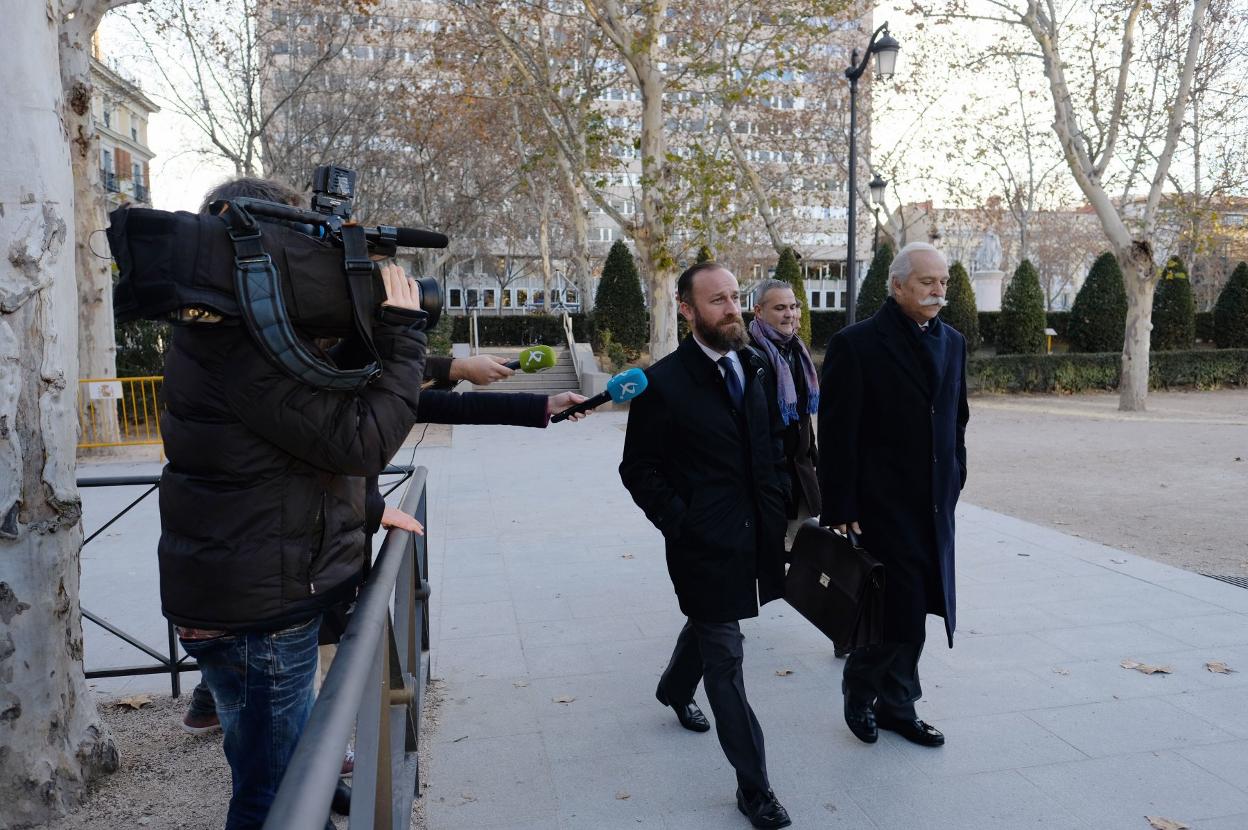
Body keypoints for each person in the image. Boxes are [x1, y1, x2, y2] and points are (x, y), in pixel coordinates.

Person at [162, 176, 428, 829]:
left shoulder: (225, 331)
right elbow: (361, 440)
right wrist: (405, 335)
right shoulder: (243, 351)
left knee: (275, 762)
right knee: (272, 793)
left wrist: (367, 511)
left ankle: (323, 794)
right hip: (260, 615)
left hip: (245, 592)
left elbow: (292, 452)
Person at [619, 262, 791, 829]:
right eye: (717, 301)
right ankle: (755, 787)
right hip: (701, 544)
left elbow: (770, 447)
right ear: (687, 310)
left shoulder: (756, 365)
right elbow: (638, 469)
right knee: (727, 657)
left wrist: (782, 504)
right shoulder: (661, 383)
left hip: (756, 535)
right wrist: (682, 523)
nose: (733, 309)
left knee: (709, 621)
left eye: (736, 298)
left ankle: (672, 688)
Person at [817, 241, 969, 749]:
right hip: (881, 505)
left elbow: (957, 418)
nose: (938, 290)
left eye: (943, 282)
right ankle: (861, 691)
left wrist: (956, 474)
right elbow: (837, 434)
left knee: (923, 604)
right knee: (895, 607)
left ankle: (899, 705)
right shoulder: (856, 344)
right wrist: (842, 506)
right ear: (897, 285)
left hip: (933, 504)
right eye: (927, 282)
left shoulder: (953, 342)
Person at [748, 279, 820, 550]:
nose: (789, 313)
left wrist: (813, 459)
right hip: (767, 479)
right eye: (780, 308)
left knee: (805, 558)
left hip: (800, 474)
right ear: (758, 311)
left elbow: (803, 417)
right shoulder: (747, 355)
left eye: (793, 306)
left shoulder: (797, 349)